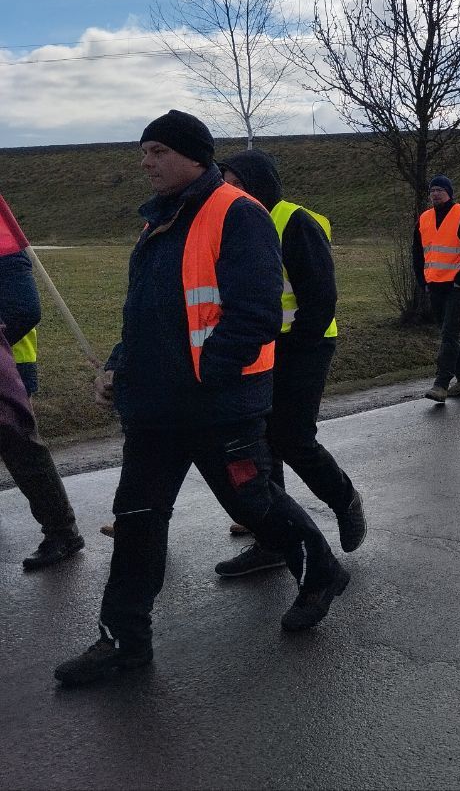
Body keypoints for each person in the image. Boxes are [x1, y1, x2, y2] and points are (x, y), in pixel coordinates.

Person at [55, 110, 348, 688]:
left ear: (194, 154)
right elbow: (146, 316)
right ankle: (123, 640)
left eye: (158, 151)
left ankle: (321, 571)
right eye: (144, 152)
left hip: (219, 407)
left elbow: (255, 313)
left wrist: (209, 375)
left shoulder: (239, 215)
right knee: (137, 520)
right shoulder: (158, 223)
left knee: (254, 503)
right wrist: (118, 366)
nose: (146, 162)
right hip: (155, 414)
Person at [211, 149, 366, 578]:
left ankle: (343, 498)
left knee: (291, 437)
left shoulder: (294, 222)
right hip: (258, 348)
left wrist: (293, 345)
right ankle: (273, 540)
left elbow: (321, 300)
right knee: (260, 441)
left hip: (305, 344)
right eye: (224, 182)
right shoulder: (232, 225)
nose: (227, 189)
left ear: (257, 183)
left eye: (235, 182)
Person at [0, 245, 83, 570]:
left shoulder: (3, 239)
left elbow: (23, 308)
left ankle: (62, 533)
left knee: (22, 452)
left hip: (8, 371)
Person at [415, 175, 460, 403]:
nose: (435, 193)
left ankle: (441, 384)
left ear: (449, 192)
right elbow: (417, 252)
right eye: (432, 189)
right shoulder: (424, 218)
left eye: (440, 189)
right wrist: (422, 280)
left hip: (458, 286)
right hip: (434, 285)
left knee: (449, 334)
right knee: (450, 332)